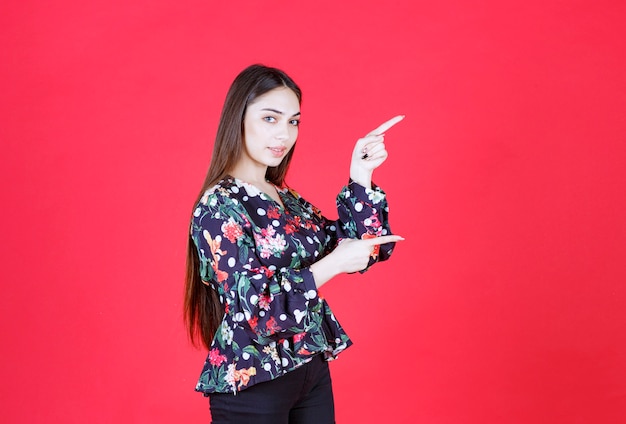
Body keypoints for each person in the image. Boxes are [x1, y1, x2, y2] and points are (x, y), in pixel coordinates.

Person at [184, 64, 404, 424]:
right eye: (270, 118)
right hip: (254, 384)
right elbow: (257, 310)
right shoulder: (218, 206)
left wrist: (361, 175)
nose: (283, 134)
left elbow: (359, 247)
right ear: (237, 119)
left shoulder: (284, 197)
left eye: (293, 121)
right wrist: (334, 263)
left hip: (308, 368)